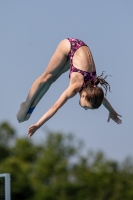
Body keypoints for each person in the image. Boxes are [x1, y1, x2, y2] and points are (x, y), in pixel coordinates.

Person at [16, 38, 122, 137]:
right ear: (84, 95)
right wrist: (38, 125)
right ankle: (26, 105)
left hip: (79, 51)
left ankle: (30, 108)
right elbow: (55, 107)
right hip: (70, 45)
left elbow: (103, 100)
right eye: (86, 106)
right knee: (47, 77)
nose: (84, 109)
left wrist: (112, 112)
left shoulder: (93, 90)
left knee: (53, 79)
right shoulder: (75, 86)